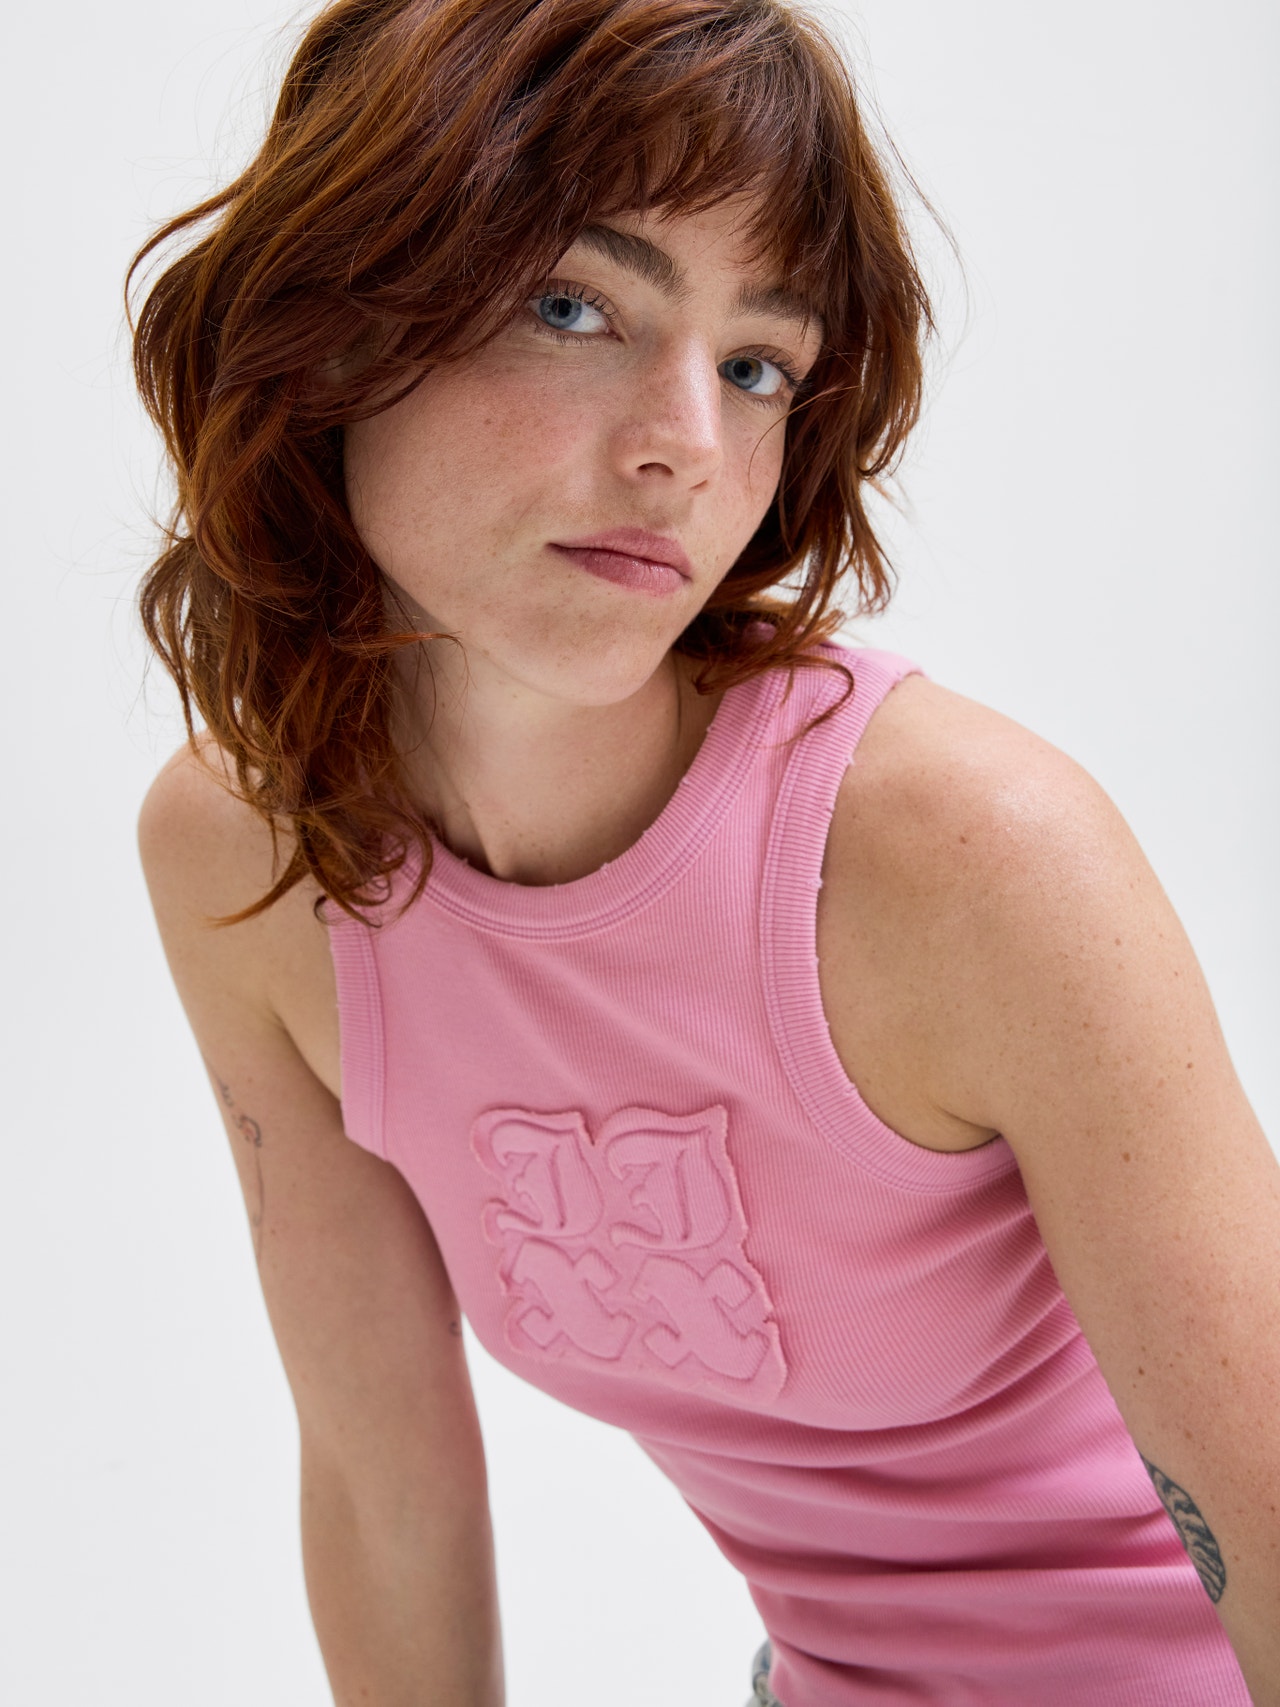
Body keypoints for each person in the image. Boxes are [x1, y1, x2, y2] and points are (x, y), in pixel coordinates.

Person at [128, 1, 1280, 1702]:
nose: (683, 443)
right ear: (334, 321)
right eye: (573, 307)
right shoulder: (252, 858)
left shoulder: (963, 854)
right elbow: (385, 1493)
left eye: (755, 366)